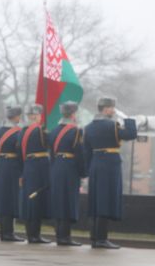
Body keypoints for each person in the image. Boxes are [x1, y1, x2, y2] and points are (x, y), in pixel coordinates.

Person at [83, 97, 137, 248]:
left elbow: (86, 152)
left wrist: (87, 170)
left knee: (96, 201)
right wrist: (128, 118)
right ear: (106, 109)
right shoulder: (112, 126)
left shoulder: (88, 127)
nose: (113, 111)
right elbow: (131, 134)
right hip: (109, 165)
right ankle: (101, 239)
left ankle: (94, 238)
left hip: (95, 164)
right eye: (112, 108)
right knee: (105, 200)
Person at [48, 101, 87, 246]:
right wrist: (83, 172)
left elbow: (51, 154)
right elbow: (79, 153)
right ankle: (65, 237)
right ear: (73, 114)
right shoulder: (76, 131)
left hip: (56, 167)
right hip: (69, 168)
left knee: (59, 201)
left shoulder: (54, 130)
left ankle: (60, 235)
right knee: (68, 201)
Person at [18, 104, 52, 244]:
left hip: (27, 166)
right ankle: (34, 235)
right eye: (37, 115)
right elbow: (49, 144)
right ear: (35, 116)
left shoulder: (23, 131)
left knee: (30, 200)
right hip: (39, 168)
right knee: (36, 200)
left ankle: (31, 234)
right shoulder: (39, 130)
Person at [0, 105, 24, 241]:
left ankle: (3, 232)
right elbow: (21, 153)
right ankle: (8, 233)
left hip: (0, 167)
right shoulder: (18, 132)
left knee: (3, 199)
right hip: (12, 167)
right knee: (10, 199)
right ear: (16, 117)